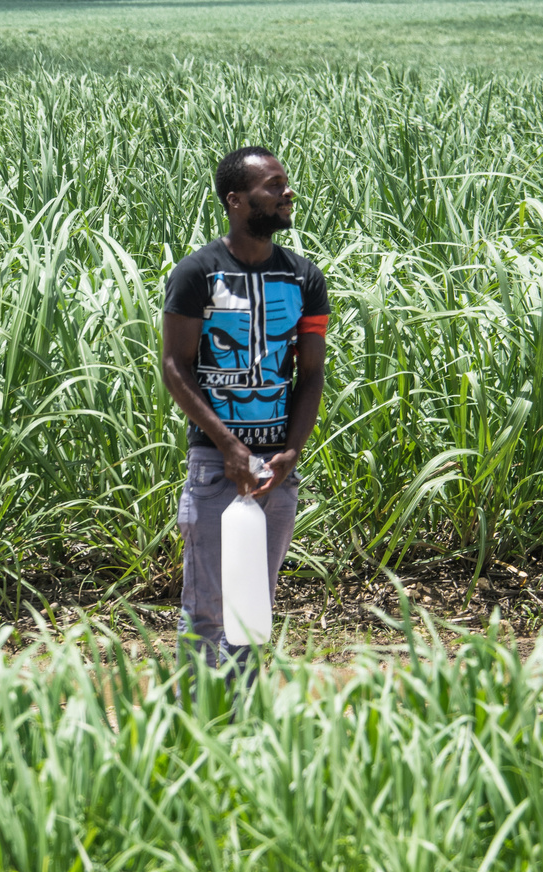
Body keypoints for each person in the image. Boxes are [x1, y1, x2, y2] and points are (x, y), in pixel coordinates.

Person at [160, 147, 329, 675]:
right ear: (236, 201)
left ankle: (245, 736)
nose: (288, 194)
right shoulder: (198, 274)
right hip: (215, 469)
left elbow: (311, 373)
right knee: (209, 613)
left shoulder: (304, 279)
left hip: (277, 472)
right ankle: (198, 729)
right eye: (273, 186)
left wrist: (290, 453)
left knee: (254, 610)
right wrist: (229, 446)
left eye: (285, 184)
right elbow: (174, 366)